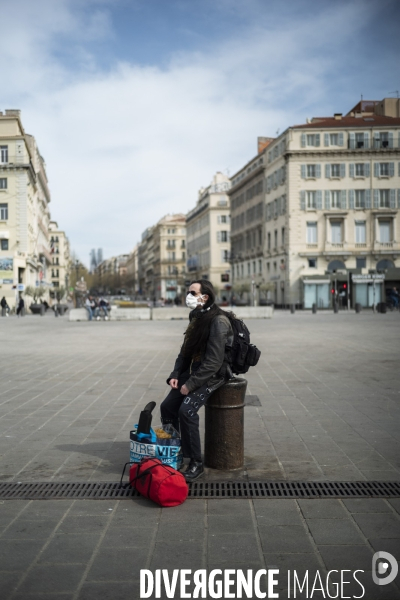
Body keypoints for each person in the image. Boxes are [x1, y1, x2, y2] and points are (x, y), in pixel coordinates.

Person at [160, 279, 234, 482]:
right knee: (167, 407)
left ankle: (195, 462)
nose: (188, 296)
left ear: (205, 297)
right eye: (189, 292)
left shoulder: (218, 321)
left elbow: (213, 362)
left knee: (187, 411)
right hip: (193, 371)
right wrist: (175, 375)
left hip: (213, 375)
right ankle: (174, 452)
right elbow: (185, 351)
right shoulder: (196, 316)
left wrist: (190, 385)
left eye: (192, 293)